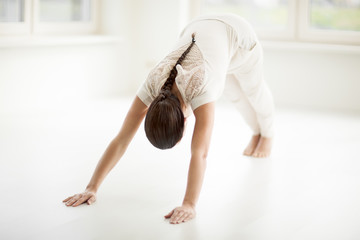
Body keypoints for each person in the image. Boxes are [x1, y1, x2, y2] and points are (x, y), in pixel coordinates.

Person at [62, 13, 275, 225]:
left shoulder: (202, 88)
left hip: (240, 40)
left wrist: (189, 204)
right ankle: (256, 132)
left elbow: (199, 153)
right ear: (151, 107)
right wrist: (91, 187)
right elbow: (121, 139)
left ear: (184, 122)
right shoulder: (153, 84)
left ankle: (267, 133)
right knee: (233, 94)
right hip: (202, 31)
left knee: (251, 91)